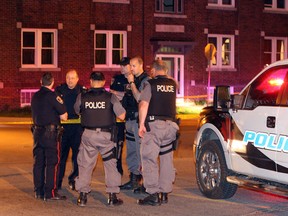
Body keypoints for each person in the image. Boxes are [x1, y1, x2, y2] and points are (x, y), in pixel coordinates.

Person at [74, 72, 126, 207]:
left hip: (88, 135)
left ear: (91, 81)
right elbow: (122, 115)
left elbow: (76, 110)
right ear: (103, 82)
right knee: (110, 164)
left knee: (85, 164)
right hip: (106, 136)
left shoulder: (83, 96)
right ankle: (112, 196)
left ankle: (82, 196)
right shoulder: (111, 97)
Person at [137, 60, 179, 206]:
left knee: (149, 158)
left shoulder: (150, 84)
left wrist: (141, 124)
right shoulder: (173, 84)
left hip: (155, 127)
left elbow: (143, 105)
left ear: (153, 71)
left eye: (151, 71)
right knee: (167, 159)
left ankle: (153, 193)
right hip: (171, 127)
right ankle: (164, 193)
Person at [31, 72, 68, 201]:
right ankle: (50, 192)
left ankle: (38, 191)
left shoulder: (35, 96)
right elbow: (64, 116)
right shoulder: (53, 96)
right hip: (50, 134)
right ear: (52, 83)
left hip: (37, 133)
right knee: (52, 162)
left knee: (38, 162)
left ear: (41, 82)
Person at [120, 56, 150, 192]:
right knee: (131, 152)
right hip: (130, 119)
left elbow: (139, 98)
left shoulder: (145, 80)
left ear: (141, 65)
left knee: (141, 152)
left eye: (133, 65)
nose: (130, 68)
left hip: (139, 121)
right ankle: (134, 179)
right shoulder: (131, 80)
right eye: (130, 65)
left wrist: (132, 83)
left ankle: (145, 183)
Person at [55, 69, 86, 190]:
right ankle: (57, 181)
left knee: (77, 157)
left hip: (77, 129)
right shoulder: (59, 90)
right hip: (63, 129)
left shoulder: (82, 91)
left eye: (72, 78)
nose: (70, 80)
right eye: (68, 77)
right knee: (61, 157)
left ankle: (74, 179)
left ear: (77, 79)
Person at [109, 57, 130, 175]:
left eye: (124, 66)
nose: (121, 68)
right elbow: (113, 95)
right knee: (118, 143)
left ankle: (135, 174)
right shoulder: (117, 78)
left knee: (133, 147)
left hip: (131, 117)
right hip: (119, 118)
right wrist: (122, 94)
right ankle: (118, 167)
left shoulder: (135, 79)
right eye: (121, 66)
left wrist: (119, 94)